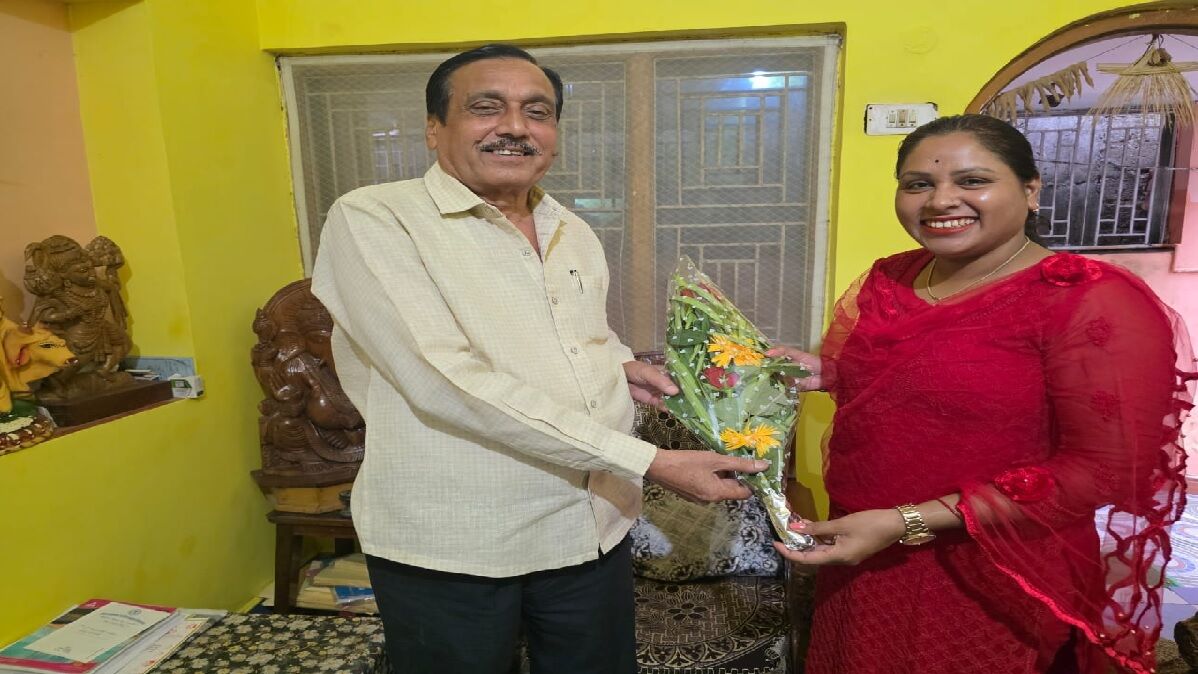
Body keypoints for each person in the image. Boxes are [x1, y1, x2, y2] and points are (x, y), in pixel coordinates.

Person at [310, 43, 769, 674]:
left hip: (591, 525)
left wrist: (621, 365)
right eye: (486, 107)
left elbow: (583, 335)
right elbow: (444, 380)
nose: (515, 127)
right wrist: (649, 461)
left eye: (537, 111)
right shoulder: (376, 218)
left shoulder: (569, 228)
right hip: (457, 542)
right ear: (434, 127)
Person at [768, 114, 1195, 674]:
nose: (940, 200)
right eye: (918, 184)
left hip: (995, 564)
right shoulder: (893, 278)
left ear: (1031, 190)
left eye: (972, 181)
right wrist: (827, 372)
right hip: (864, 546)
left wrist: (906, 521)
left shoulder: (1088, 300)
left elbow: (1104, 469)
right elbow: (912, 385)